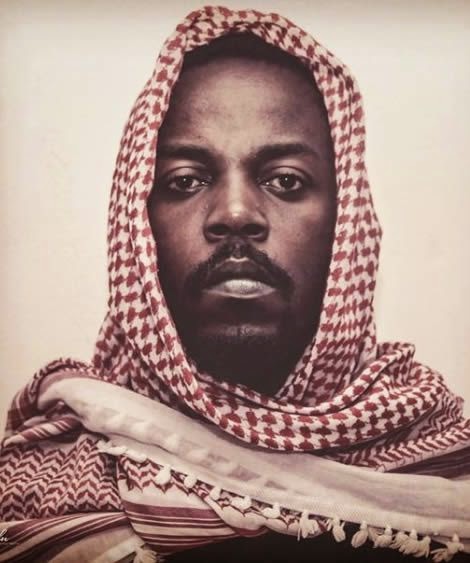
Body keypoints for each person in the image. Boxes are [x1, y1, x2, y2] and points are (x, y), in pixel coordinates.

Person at [0, 6, 469, 563]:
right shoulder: (34, 496)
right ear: (137, 226)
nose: (236, 213)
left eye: (285, 180)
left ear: (346, 225)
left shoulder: (446, 468)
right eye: (186, 180)